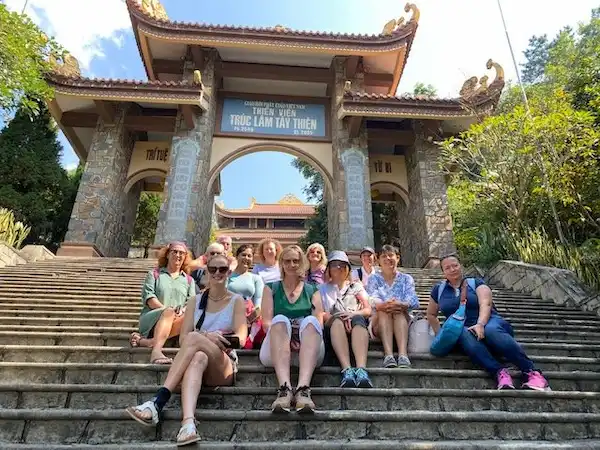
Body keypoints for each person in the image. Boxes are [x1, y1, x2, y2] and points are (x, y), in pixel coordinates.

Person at [126, 253, 248, 446]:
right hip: (199, 360)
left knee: (195, 339)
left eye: (222, 269)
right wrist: (206, 337)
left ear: (229, 273)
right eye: (213, 269)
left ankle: (159, 400)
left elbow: (241, 339)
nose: (217, 273)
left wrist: (214, 339)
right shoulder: (195, 301)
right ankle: (188, 424)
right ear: (206, 271)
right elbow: (183, 339)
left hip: (223, 363)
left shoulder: (236, 301)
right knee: (198, 355)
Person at [427, 254, 550, 391]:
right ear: (443, 271)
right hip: (461, 328)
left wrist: (480, 324)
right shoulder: (439, 290)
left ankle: (532, 372)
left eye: (455, 265)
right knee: (464, 333)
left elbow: (485, 303)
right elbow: (431, 314)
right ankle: (499, 372)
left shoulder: (476, 282)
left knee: (491, 330)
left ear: (460, 265)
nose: (452, 269)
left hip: (489, 320)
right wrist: (441, 335)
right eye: (447, 267)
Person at [260, 245, 325, 413]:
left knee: (311, 321)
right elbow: (266, 323)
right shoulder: (270, 288)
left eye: (296, 261)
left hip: (308, 349)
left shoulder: (313, 290)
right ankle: (285, 389)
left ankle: (303, 389)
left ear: (302, 263)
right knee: (279, 320)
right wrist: (288, 339)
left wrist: (298, 339)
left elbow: (319, 322)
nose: (291, 265)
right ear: (281, 264)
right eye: (287, 261)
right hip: (276, 348)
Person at [130, 242, 196, 364]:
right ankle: (156, 352)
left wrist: (181, 311)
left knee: (190, 317)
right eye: (174, 252)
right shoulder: (154, 274)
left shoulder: (189, 280)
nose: (178, 255)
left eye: (181, 253)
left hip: (177, 318)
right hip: (152, 317)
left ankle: (147, 342)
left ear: (185, 257)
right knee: (169, 312)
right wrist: (167, 311)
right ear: (167, 255)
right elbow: (149, 298)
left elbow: (191, 302)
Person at [320, 251, 373, 388]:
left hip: (354, 320)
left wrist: (353, 314)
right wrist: (339, 317)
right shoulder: (321, 289)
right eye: (335, 265)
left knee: (358, 320)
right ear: (328, 269)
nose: (339, 268)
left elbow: (368, 310)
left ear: (348, 269)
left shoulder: (356, 286)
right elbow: (320, 312)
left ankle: (361, 369)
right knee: (337, 322)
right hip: (333, 324)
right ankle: (347, 370)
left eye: (343, 265)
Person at [366, 244, 419, 368]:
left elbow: (413, 300)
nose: (387, 258)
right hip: (379, 322)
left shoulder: (406, 279)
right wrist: (385, 305)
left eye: (391, 255)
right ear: (378, 261)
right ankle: (388, 355)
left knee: (398, 310)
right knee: (384, 310)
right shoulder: (374, 278)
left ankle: (403, 355)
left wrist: (401, 304)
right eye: (384, 256)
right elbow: (371, 299)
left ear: (398, 258)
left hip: (402, 320)